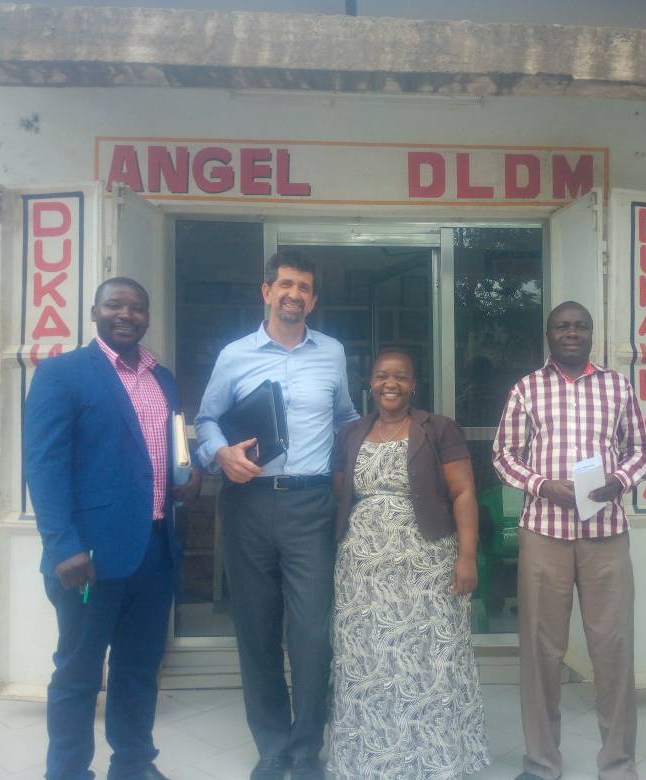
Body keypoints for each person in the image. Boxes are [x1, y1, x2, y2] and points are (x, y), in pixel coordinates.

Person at [24, 277, 202, 780]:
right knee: (79, 674)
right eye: (115, 305)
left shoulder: (161, 377)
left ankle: (133, 764)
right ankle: (68, 772)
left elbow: (165, 445)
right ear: (95, 311)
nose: (126, 314)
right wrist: (62, 545)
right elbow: (44, 465)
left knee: (139, 668)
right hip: (89, 558)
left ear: (148, 316)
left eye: (137, 307)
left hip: (155, 547)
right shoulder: (63, 374)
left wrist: (184, 477)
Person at [194, 249, 359, 780]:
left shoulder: (332, 353)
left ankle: (307, 747)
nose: (294, 293)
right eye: (285, 284)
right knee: (257, 628)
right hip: (247, 504)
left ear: (313, 298)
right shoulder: (234, 355)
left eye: (304, 287)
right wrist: (220, 454)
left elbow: (348, 419)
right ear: (266, 291)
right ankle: (272, 745)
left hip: (310, 503)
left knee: (311, 630)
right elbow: (206, 420)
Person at [493, 301, 646, 780]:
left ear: (591, 333)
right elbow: (504, 455)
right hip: (544, 534)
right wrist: (543, 485)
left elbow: (641, 450)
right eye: (562, 326)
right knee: (541, 652)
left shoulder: (617, 386)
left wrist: (619, 482)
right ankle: (542, 763)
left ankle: (619, 764)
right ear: (549, 333)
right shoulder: (527, 389)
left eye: (580, 326)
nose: (571, 333)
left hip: (606, 534)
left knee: (613, 648)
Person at [329, 349, 491, 780]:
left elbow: (463, 494)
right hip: (362, 571)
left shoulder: (437, 429)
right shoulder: (350, 433)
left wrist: (467, 556)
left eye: (400, 376)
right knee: (368, 661)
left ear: (413, 383)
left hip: (427, 566)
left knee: (430, 661)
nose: (390, 384)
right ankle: (369, 762)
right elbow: (341, 490)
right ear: (369, 382)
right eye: (382, 375)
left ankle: (436, 762)